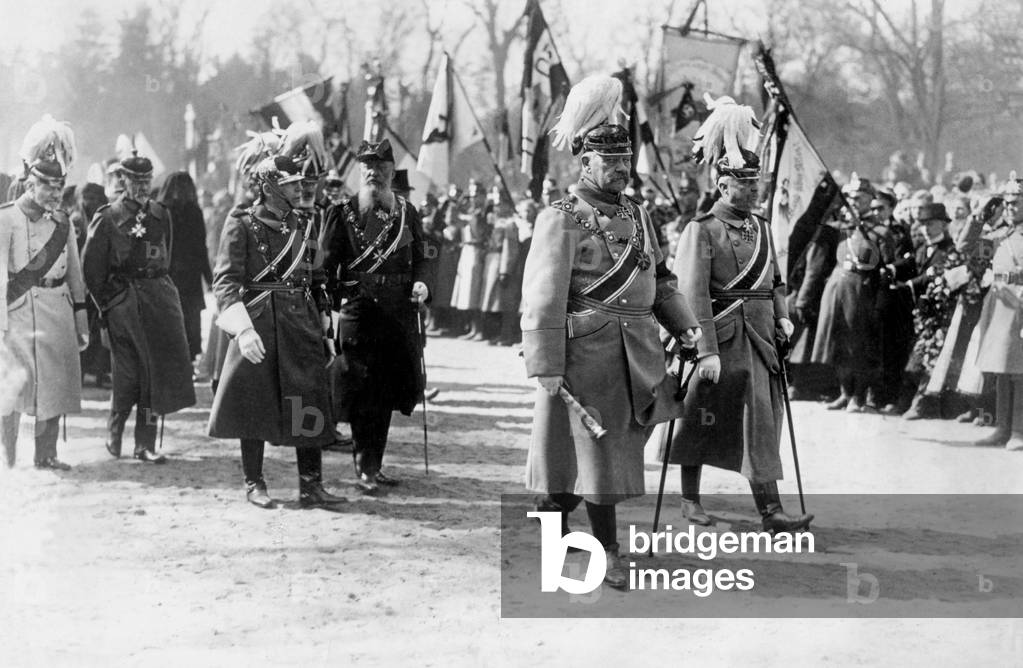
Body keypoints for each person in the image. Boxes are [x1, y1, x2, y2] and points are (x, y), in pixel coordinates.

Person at [522, 75, 701, 590]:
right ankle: (607, 551)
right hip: (584, 359)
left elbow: (660, 281)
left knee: (605, 459)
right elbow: (542, 297)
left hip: (637, 357)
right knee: (593, 463)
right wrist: (547, 366)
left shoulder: (639, 215)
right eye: (611, 162)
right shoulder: (560, 218)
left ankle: (552, 515)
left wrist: (686, 328)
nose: (621, 170)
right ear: (586, 161)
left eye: (625, 161)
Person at [663, 95, 812, 534]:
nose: (755, 190)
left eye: (756, 183)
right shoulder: (702, 230)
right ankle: (690, 499)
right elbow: (691, 293)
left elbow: (775, 280)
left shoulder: (764, 228)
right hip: (718, 340)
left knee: (761, 424)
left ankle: (771, 511)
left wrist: (782, 315)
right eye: (745, 184)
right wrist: (704, 349)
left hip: (762, 340)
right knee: (698, 419)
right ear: (724, 185)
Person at [208, 155, 346, 509]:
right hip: (260, 324)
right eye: (290, 183)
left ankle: (311, 486)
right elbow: (225, 283)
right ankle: (254, 482)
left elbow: (317, 280)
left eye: (299, 182)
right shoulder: (241, 223)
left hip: (301, 322)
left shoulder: (305, 223)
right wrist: (242, 331)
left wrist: (327, 329)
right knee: (254, 403)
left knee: (309, 399)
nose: (299, 188)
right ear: (269, 186)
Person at [323, 139, 430, 494]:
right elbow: (325, 265)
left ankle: (375, 463)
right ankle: (363, 466)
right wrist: (341, 300)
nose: (373, 173)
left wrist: (421, 284)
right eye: (366, 167)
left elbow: (425, 256)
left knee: (386, 390)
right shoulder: (342, 212)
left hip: (398, 313)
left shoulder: (407, 213)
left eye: (380, 167)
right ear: (359, 171)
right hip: (360, 313)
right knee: (361, 389)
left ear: (391, 171)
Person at [82, 150, 196, 463]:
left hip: (158, 301)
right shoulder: (107, 218)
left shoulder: (162, 214)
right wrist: (109, 303)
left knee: (154, 373)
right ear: (123, 180)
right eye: (135, 180)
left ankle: (144, 443)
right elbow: (91, 270)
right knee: (128, 372)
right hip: (123, 301)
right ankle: (114, 431)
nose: (142, 186)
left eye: (147, 179)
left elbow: (166, 258)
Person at [1, 115, 89, 470]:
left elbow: (76, 274)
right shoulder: (6, 219)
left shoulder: (63, 222)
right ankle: (7, 456)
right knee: (14, 389)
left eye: (59, 187)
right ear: (30, 183)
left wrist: (81, 319)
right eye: (48, 186)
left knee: (54, 385)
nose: (55, 193)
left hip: (57, 310)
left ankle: (47, 454)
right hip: (19, 312)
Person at [812, 175, 892, 412]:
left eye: (859, 197)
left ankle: (859, 396)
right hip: (837, 283)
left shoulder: (878, 231)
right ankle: (844, 392)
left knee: (857, 343)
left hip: (861, 286)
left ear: (870, 200)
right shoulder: (840, 228)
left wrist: (879, 300)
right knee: (837, 341)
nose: (854, 201)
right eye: (851, 197)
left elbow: (884, 268)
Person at [972, 174, 1023, 448]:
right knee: (1001, 368)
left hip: (1021, 305)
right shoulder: (1001, 233)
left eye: (1016, 202)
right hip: (1000, 303)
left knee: (1020, 371)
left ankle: (1019, 430)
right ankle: (1002, 428)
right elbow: (973, 256)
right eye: (1007, 203)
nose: (1011, 207)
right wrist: (978, 220)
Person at [900, 203, 956, 419]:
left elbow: (933, 276)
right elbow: (912, 263)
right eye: (922, 224)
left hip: (939, 314)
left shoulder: (949, 250)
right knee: (917, 358)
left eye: (930, 224)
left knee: (928, 359)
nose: (925, 229)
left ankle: (921, 404)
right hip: (921, 313)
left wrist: (908, 285)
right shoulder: (923, 248)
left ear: (943, 224)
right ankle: (914, 401)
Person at [158, 172, 212, 363]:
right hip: (190, 275)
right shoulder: (194, 212)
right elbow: (201, 247)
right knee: (189, 318)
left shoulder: (161, 211)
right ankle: (187, 358)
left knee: (169, 317)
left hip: (168, 273)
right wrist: (209, 277)